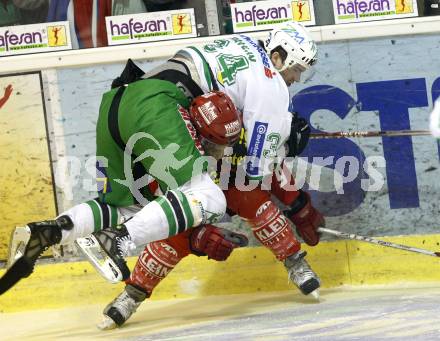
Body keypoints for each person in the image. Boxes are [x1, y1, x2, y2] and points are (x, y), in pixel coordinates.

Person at [96, 21, 325, 329]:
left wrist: (297, 204)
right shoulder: (166, 139)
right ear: (280, 55)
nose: (296, 79)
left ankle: (295, 262)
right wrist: (198, 239)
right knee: (177, 233)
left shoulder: (238, 75)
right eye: (296, 69)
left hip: (189, 143)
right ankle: (133, 293)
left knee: (251, 197)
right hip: (179, 161)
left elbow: (263, 167)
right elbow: (160, 201)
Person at [0, 88, 248, 295]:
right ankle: (118, 239)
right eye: (219, 144)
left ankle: (52, 230)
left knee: (125, 206)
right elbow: (186, 204)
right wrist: (199, 238)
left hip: (115, 113)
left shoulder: (182, 107)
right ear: (205, 136)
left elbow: (164, 209)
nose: (221, 152)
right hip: (148, 117)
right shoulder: (183, 142)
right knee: (214, 199)